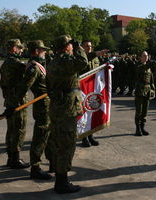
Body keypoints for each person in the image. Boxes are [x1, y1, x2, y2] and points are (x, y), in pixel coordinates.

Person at [46, 35, 88, 194]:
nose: (72, 47)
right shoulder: (65, 61)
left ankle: (59, 177)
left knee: (58, 142)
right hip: (67, 109)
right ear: (66, 47)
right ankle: (61, 182)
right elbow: (82, 62)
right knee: (66, 145)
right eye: (71, 45)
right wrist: (79, 47)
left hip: (57, 107)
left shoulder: (52, 62)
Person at [15, 40, 52, 179]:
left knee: (47, 135)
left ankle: (50, 161)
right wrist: (14, 105)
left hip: (47, 104)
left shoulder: (39, 65)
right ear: (36, 51)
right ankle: (35, 167)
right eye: (43, 50)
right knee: (40, 136)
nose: (45, 53)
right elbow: (24, 87)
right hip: (42, 105)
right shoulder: (34, 68)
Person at [0, 39, 30, 169]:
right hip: (18, 100)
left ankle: (10, 157)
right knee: (19, 128)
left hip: (9, 99)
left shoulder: (6, 63)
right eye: (19, 48)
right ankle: (15, 159)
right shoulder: (16, 63)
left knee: (11, 129)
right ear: (13, 49)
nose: (21, 50)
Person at [134, 51, 155, 136]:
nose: (146, 57)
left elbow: (151, 79)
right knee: (139, 110)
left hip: (147, 89)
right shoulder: (138, 65)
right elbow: (143, 68)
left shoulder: (148, 67)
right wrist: (153, 63)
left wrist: (153, 89)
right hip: (140, 90)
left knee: (145, 111)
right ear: (140, 57)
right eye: (144, 56)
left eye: (147, 56)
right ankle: (137, 128)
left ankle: (142, 127)